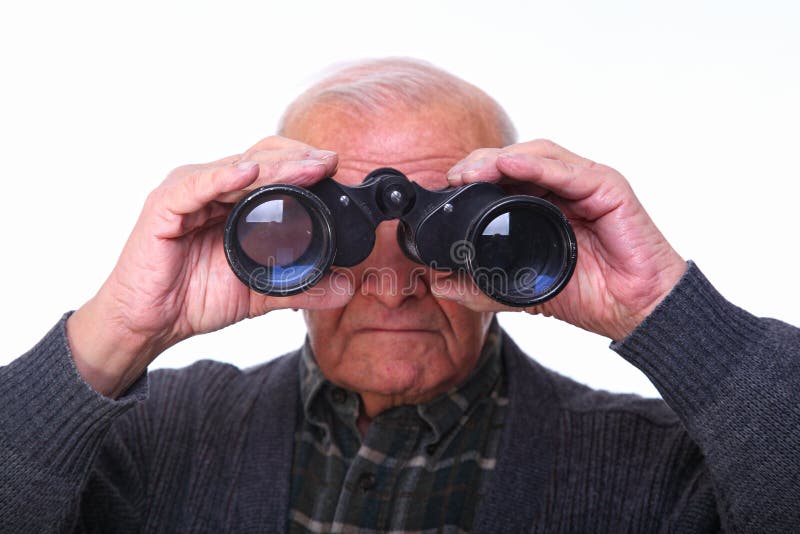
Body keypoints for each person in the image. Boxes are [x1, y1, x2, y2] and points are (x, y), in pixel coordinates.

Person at [1, 58, 798, 533]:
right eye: (328, 229)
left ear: (518, 227)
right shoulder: (147, 437)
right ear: (269, 233)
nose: (390, 281)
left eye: (442, 232)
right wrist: (118, 331)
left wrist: (666, 309)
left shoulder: (658, 469)